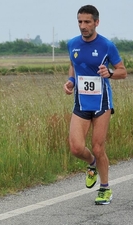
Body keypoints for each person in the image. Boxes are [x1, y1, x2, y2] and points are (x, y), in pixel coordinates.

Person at [63, 5, 127, 205]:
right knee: (75, 148)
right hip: (81, 103)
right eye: (80, 22)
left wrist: (109, 73)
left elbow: (122, 71)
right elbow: (73, 65)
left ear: (96, 22)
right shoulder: (72, 44)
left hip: (101, 103)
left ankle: (105, 188)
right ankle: (91, 164)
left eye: (87, 22)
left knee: (98, 148)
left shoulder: (107, 45)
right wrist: (71, 82)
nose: (83, 26)